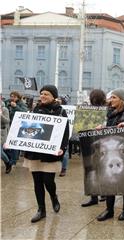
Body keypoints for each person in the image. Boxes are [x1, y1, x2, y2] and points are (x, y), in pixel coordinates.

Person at [22, 85, 69, 223]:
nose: (42, 96)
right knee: (37, 182)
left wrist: (62, 148)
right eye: (41, 93)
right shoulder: (36, 109)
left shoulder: (60, 111)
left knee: (48, 181)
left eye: (46, 94)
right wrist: (15, 142)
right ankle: (41, 210)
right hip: (35, 152)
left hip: (51, 153)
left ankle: (53, 196)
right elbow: (27, 128)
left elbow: (65, 132)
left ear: (54, 96)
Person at [96, 88, 124, 221]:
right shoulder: (111, 113)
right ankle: (109, 210)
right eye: (110, 97)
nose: (110, 100)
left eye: (113, 97)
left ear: (121, 99)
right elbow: (109, 131)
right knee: (109, 181)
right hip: (111, 151)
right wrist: (103, 129)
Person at [81, 89, 107, 207]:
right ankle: (96, 195)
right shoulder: (88, 110)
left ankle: (99, 194)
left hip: (98, 144)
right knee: (93, 169)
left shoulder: (107, 110)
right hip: (92, 143)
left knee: (96, 169)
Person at [4, 91, 28, 168]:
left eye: (14, 97)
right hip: (8, 125)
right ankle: (9, 158)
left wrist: (15, 107)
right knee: (6, 144)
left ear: (18, 97)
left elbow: (24, 112)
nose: (12, 98)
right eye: (11, 96)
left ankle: (13, 161)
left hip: (17, 126)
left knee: (14, 144)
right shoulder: (7, 102)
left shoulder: (22, 104)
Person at [57, 95, 70, 177]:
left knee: (64, 152)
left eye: (59, 99)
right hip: (54, 134)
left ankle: (63, 168)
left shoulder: (63, 110)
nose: (58, 100)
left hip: (63, 133)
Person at [1, 100, 11, 173]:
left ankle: (8, 163)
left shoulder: (4, 109)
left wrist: (0, 115)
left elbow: (7, 121)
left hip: (1, 133)